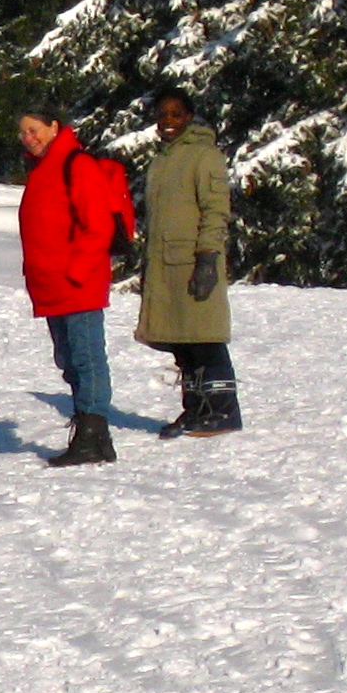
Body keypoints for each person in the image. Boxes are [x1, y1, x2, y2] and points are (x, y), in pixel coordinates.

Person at [137, 88, 242, 437]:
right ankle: (196, 409)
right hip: (166, 265)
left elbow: (216, 210)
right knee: (182, 341)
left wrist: (208, 258)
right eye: (162, 115)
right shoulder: (163, 159)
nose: (168, 121)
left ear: (189, 117)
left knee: (205, 339)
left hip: (194, 262)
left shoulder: (204, 156)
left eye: (176, 114)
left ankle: (222, 411)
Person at [17, 108, 117, 466]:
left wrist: (75, 272)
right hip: (52, 285)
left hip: (77, 284)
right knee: (69, 360)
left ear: (54, 127)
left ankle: (92, 433)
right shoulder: (43, 169)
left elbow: (98, 225)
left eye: (35, 129)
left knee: (87, 359)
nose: (29, 137)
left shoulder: (77, 164)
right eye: (23, 132)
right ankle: (94, 437)